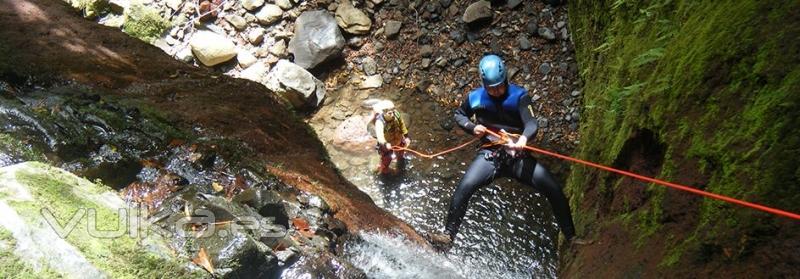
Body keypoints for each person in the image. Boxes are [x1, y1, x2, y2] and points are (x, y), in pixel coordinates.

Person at [431, 54, 583, 248]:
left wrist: (523, 139)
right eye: (491, 88)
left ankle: (571, 238)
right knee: (465, 187)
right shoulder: (475, 97)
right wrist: (471, 127)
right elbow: (459, 114)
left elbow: (531, 123)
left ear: (506, 80)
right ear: (484, 84)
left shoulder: (519, 97)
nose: (496, 91)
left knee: (553, 188)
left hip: (517, 155)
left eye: (500, 86)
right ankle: (448, 237)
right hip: (490, 155)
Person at [371, 100, 411, 175]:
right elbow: (380, 137)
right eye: (390, 113)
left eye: (393, 111)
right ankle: (384, 169)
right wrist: (385, 144)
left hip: (398, 139)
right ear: (384, 112)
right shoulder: (380, 123)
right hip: (387, 144)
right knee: (386, 159)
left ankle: (399, 159)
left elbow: (402, 125)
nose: (393, 114)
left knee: (401, 152)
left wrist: (406, 136)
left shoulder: (396, 114)